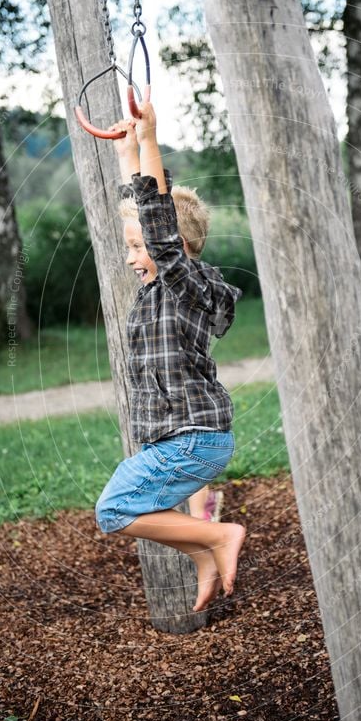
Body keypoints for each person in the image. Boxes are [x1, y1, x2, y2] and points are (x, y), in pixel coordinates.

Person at [95, 102, 246, 613]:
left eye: (141, 247)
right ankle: (206, 553)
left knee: (115, 509)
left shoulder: (186, 286)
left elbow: (155, 221)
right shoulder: (162, 290)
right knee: (132, 508)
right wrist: (126, 149)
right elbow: (140, 207)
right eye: (131, 247)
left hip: (191, 441)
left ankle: (220, 536)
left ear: (174, 247)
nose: (133, 257)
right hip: (180, 441)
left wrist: (152, 139)